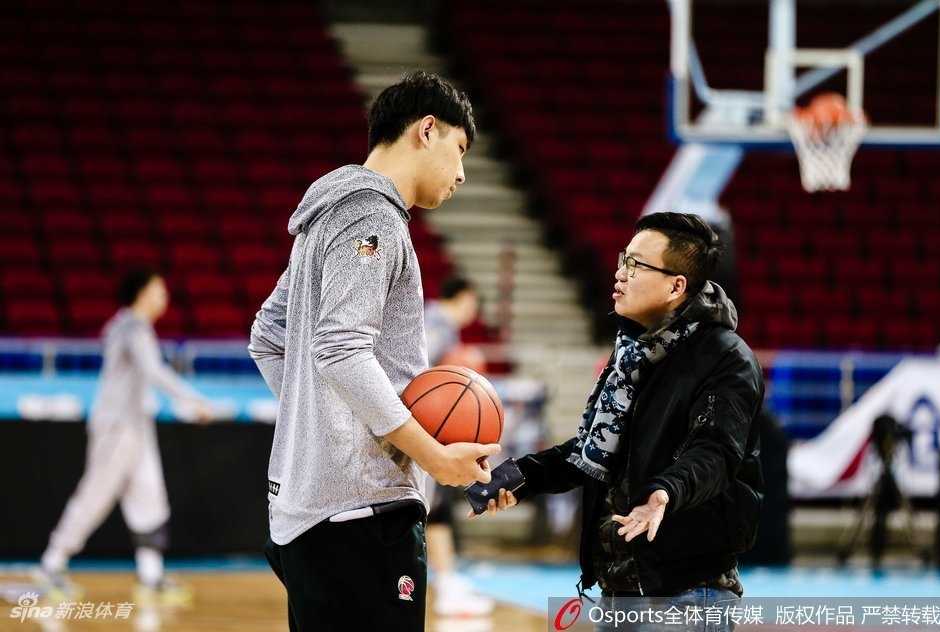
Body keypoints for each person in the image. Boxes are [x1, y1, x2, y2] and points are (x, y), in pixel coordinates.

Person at [248, 70, 500, 632]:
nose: (461, 174)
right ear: (426, 130)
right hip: (361, 513)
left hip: (312, 512)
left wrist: (326, 421)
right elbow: (340, 349)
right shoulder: (373, 217)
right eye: (460, 151)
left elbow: (268, 335)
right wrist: (433, 456)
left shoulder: (324, 218)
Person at [477, 213, 764, 631]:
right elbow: (589, 452)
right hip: (621, 591)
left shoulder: (726, 358)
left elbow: (716, 451)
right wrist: (515, 477)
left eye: (636, 265)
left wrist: (664, 492)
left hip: (686, 595)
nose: (620, 273)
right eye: (622, 260)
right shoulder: (633, 354)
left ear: (676, 285)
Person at [37, 270, 214, 605]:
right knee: (96, 495)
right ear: (143, 293)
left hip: (136, 425)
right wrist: (192, 399)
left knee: (150, 497)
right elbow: (153, 370)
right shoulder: (131, 327)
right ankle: (52, 564)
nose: (164, 297)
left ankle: (151, 573)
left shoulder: (128, 326)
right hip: (117, 427)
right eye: (159, 290)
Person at [423, 276, 494, 617]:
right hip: (422, 430)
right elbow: (421, 375)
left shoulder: (438, 324)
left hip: (428, 430)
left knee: (437, 509)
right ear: (466, 298)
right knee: (433, 509)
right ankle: (445, 585)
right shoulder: (437, 324)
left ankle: (447, 581)